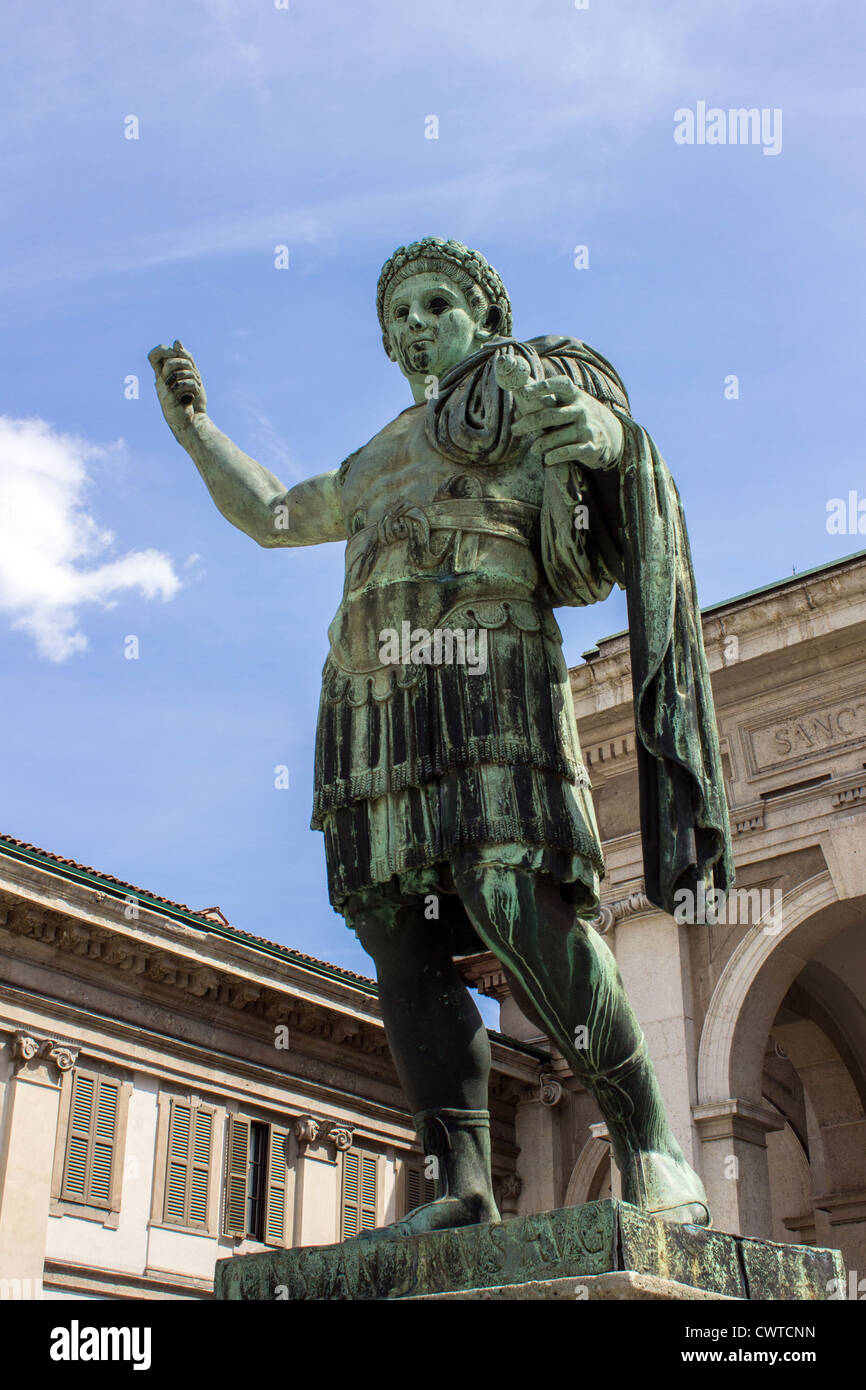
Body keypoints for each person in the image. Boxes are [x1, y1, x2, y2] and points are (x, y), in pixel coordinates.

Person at [150, 237, 732, 1238]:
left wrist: (597, 437)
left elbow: (604, 469)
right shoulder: (377, 453)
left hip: (488, 667)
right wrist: (195, 430)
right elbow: (274, 514)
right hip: (374, 699)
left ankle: (648, 1144)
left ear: (485, 315)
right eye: (398, 318)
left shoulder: (527, 382)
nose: (415, 326)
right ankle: (459, 1183)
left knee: (509, 890)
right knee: (396, 931)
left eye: (435, 305)